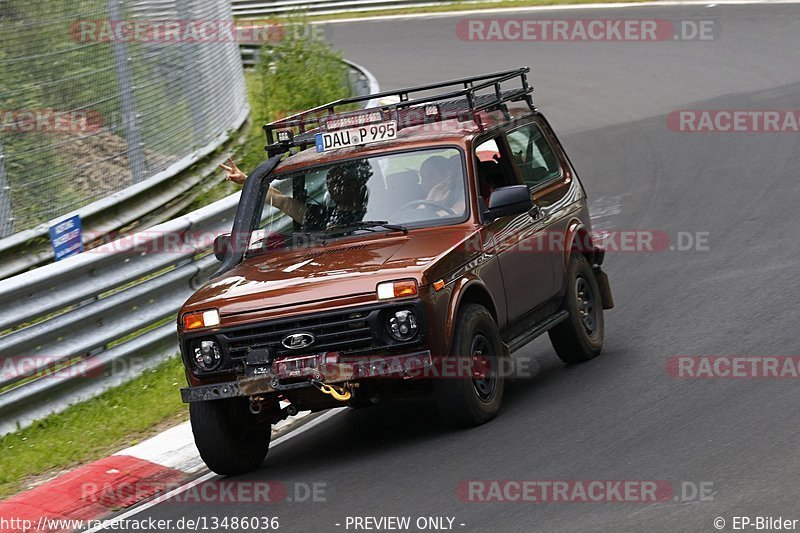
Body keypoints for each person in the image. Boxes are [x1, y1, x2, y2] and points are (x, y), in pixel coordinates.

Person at [219, 158, 370, 231]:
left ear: (355, 185)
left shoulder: (377, 220)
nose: (332, 189)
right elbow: (282, 201)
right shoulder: (321, 216)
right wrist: (247, 181)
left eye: (338, 183)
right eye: (330, 183)